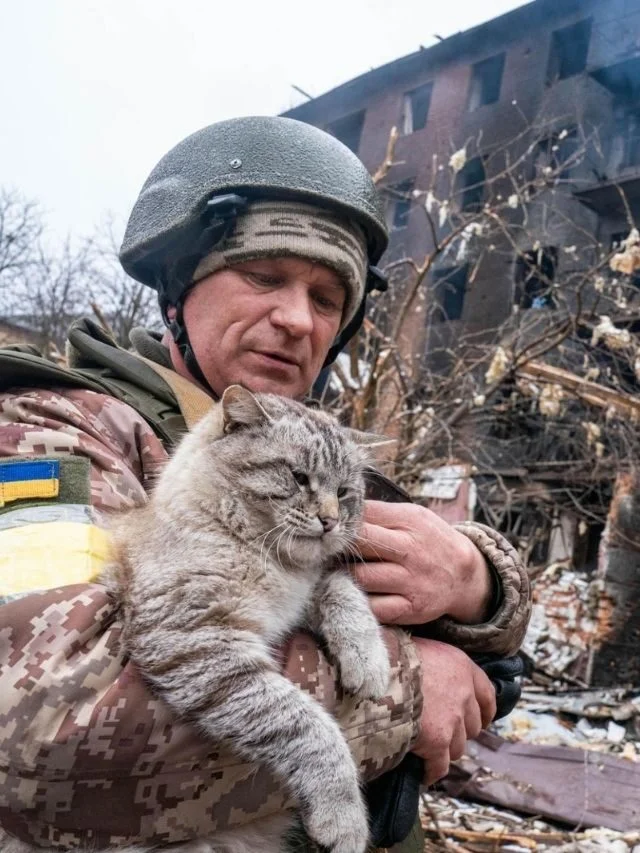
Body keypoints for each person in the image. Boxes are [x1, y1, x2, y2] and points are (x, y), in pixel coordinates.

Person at [0, 116, 530, 853]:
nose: (294, 319)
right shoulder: (47, 439)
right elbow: (42, 725)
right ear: (180, 285)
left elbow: (492, 641)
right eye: (264, 276)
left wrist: (480, 584)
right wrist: (406, 695)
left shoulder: (309, 448)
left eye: (325, 299)